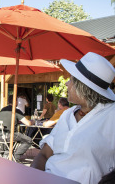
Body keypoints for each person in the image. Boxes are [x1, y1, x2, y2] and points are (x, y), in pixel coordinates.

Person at [31, 52, 115, 184]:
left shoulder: (111, 115)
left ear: (83, 87)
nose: (67, 84)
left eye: (71, 79)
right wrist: (31, 177)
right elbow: (44, 154)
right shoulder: (67, 114)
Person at [0, 95, 33, 161]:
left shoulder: (2, 109)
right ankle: (16, 156)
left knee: (18, 138)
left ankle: (10, 153)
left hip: (1, 134)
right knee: (29, 140)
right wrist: (33, 121)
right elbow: (28, 123)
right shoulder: (16, 110)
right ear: (15, 101)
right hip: (11, 134)